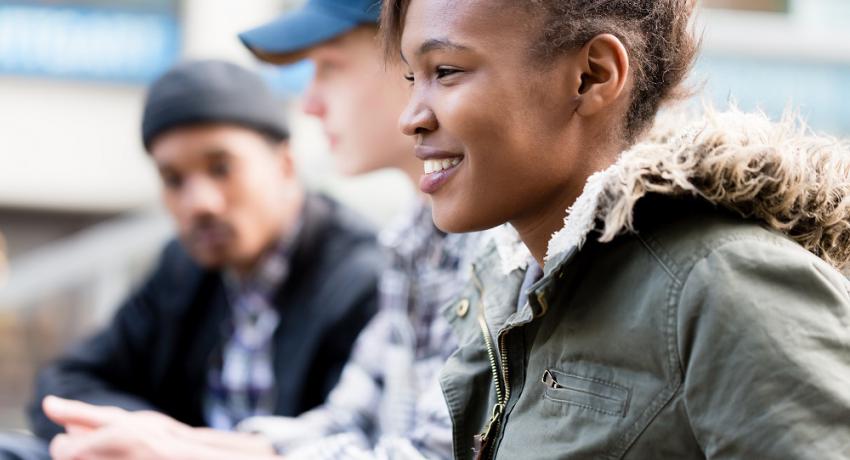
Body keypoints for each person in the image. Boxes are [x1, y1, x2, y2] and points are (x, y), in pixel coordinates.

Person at [383, 0, 850, 458]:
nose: (410, 118)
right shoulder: (512, 290)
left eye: (445, 71)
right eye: (411, 78)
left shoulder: (724, 284)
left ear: (593, 76)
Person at [42, 1, 476, 459]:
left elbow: (429, 452)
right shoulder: (410, 236)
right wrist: (167, 439)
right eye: (173, 180)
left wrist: (185, 453)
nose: (308, 103)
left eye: (328, 68)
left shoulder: (363, 269)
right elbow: (349, 420)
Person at [9, 59, 380, 460]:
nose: (199, 203)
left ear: (285, 165)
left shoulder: (361, 279)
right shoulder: (184, 268)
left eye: (222, 168)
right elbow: (65, 382)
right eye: (174, 180)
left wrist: (177, 448)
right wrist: (151, 439)